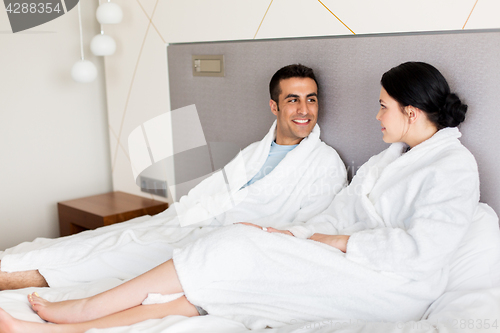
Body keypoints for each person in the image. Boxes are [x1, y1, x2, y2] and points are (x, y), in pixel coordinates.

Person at [0, 61, 487, 333]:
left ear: (413, 109)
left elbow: (425, 251)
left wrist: (333, 243)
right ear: (273, 105)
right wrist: (289, 234)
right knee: (221, 275)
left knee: (227, 248)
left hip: (393, 288)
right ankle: (64, 328)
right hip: (353, 266)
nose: (377, 117)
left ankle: (82, 310)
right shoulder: (389, 160)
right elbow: (338, 212)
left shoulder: (451, 167)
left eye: (383, 107)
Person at [0, 64, 347, 290]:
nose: (304, 110)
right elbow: (215, 188)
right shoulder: (256, 150)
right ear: (275, 107)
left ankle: (19, 278)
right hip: (196, 221)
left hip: (232, 241)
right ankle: (17, 263)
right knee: (117, 235)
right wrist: (185, 215)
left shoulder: (325, 163)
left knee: (128, 254)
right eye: (293, 100)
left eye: (311, 100)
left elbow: (313, 229)